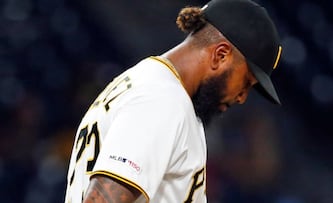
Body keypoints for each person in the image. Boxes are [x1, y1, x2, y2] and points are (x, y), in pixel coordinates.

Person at [64, 0, 283, 202]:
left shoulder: (153, 84)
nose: (242, 97)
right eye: (245, 82)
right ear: (221, 55)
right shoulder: (163, 99)